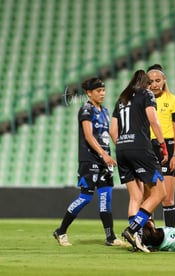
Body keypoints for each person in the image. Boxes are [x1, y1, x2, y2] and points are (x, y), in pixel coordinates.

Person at [53, 77, 123, 247]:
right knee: (85, 197)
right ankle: (61, 231)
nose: (102, 94)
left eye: (103, 90)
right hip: (90, 160)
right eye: (98, 91)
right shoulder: (86, 110)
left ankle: (110, 237)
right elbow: (88, 135)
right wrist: (103, 155)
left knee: (105, 198)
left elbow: (110, 135)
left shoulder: (106, 111)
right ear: (89, 93)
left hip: (105, 162)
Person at [109, 69, 168, 253]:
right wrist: (162, 144)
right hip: (140, 148)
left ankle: (137, 240)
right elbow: (154, 120)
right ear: (146, 83)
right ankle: (132, 230)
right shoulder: (147, 94)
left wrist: (123, 145)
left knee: (135, 196)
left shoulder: (122, 99)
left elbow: (112, 129)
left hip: (121, 149)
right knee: (159, 194)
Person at [146, 64, 175, 227]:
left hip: (166, 148)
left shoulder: (173, 100)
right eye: (150, 81)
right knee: (149, 198)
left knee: (167, 198)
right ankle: (148, 236)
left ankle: (171, 236)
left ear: (164, 80)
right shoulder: (142, 100)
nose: (154, 84)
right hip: (146, 149)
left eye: (157, 80)